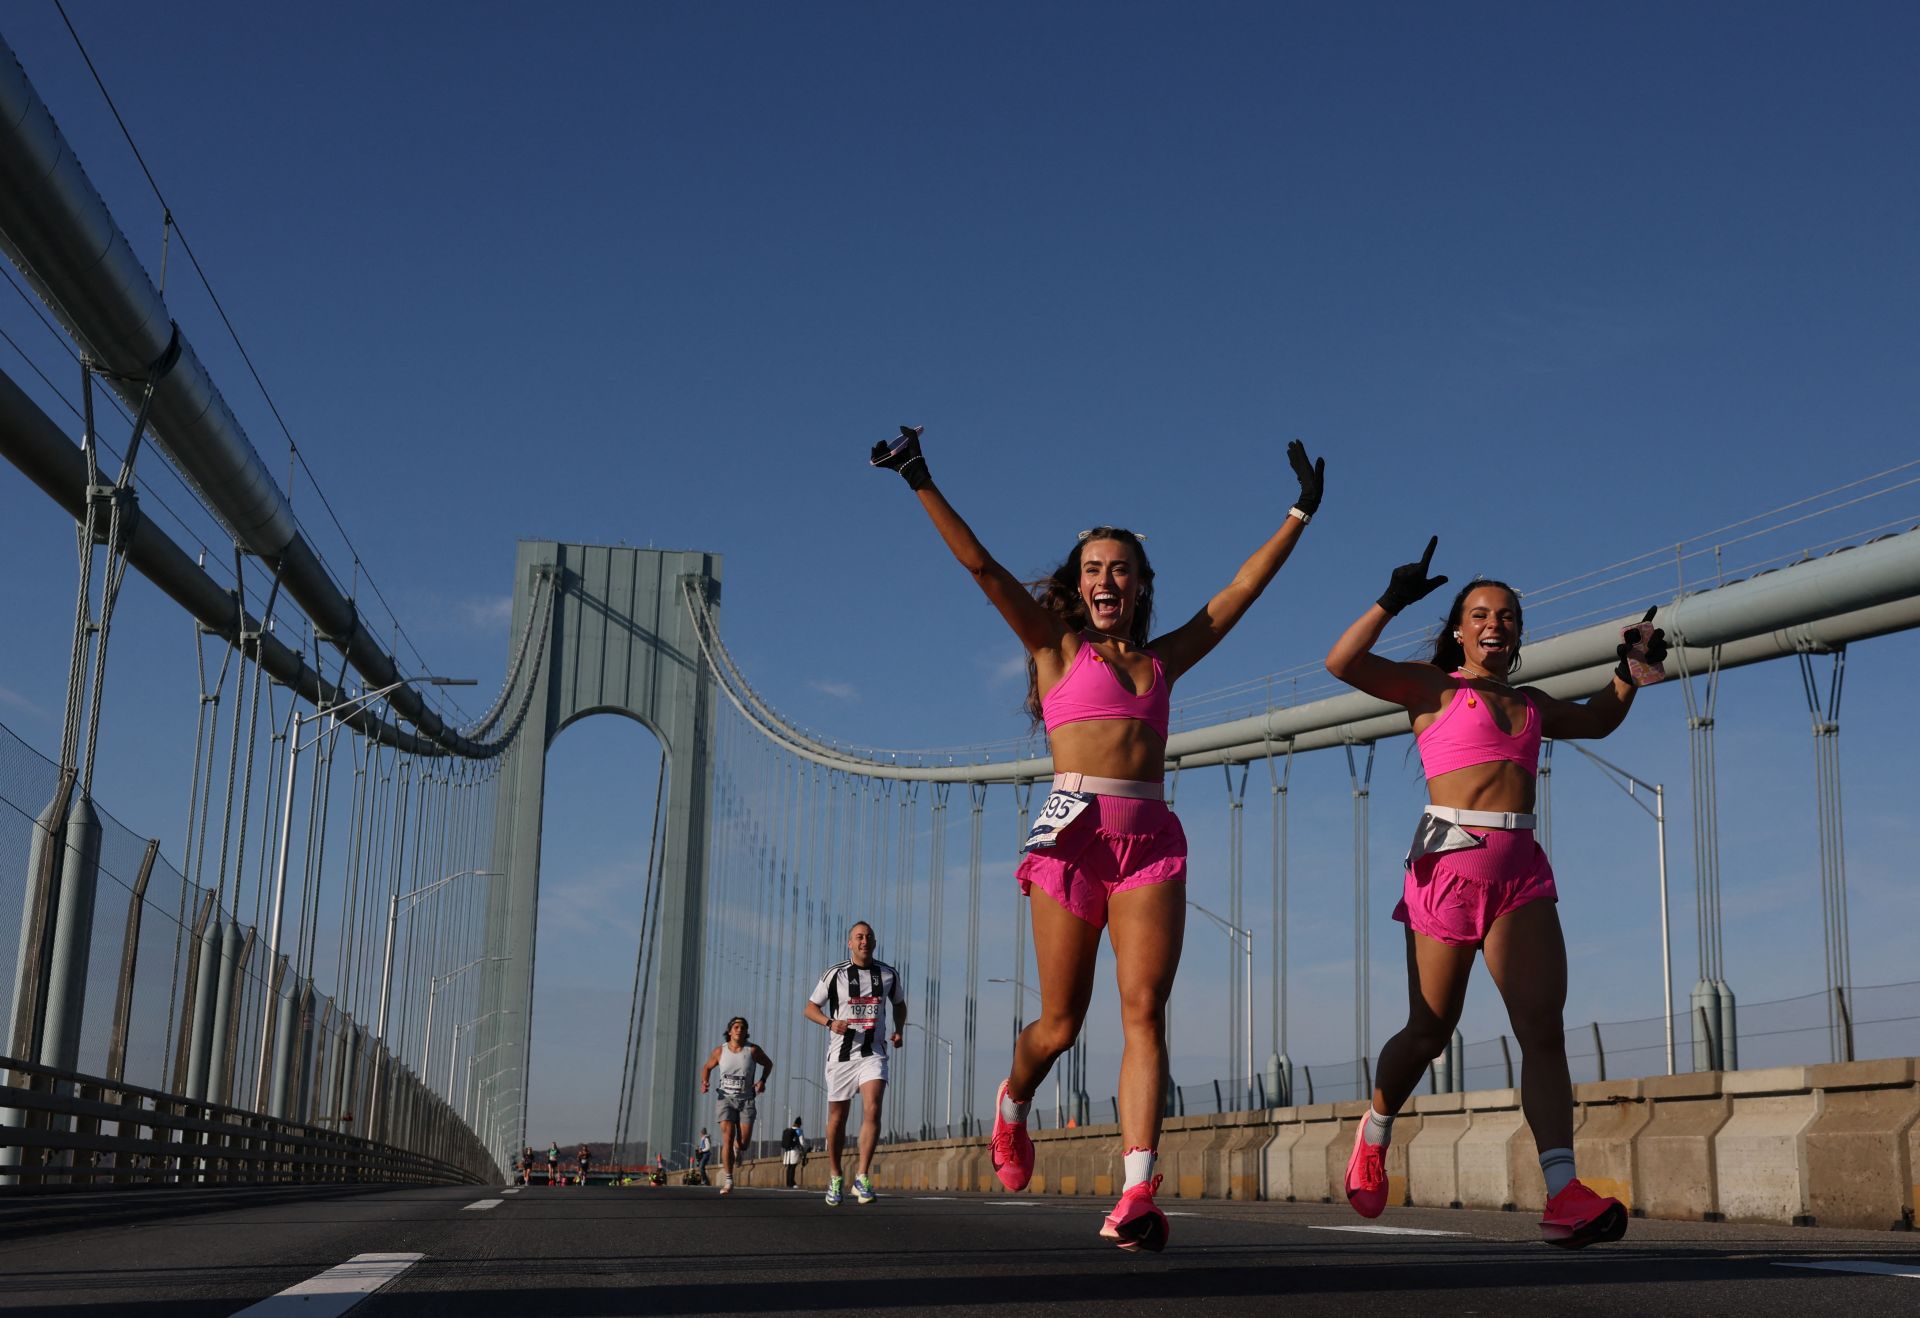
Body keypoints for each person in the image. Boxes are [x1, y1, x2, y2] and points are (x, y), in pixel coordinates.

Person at [871, 424, 1324, 1252]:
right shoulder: (1053, 647)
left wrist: (1298, 512)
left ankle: (1136, 1192)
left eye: (1120, 568)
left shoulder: (1164, 662)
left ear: (1141, 583)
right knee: (1061, 1025)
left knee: (1144, 1011)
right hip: (1071, 838)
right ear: (1077, 588)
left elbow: (1237, 594)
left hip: (1149, 836)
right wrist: (919, 476)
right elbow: (981, 568)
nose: (1105, 579)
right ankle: (1012, 1104)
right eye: (1092, 570)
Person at [1323, 538, 1667, 1249]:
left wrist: (1635, 667)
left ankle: (1563, 1192)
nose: (1496, 624)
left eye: (1508, 615)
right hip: (1447, 871)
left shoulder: (1533, 705)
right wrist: (1392, 598)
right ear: (1459, 629)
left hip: (1520, 873)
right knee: (1430, 1030)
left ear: (1518, 632)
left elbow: (1601, 716)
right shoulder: (1432, 689)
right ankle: (1377, 1127)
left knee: (1542, 1028)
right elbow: (1343, 663)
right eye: (1480, 613)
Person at [803, 920, 906, 1206]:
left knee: (873, 1107)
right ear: (850, 943)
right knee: (838, 1119)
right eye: (859, 937)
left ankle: (861, 1176)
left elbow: (899, 1003)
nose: (864, 941)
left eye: (869, 936)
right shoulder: (835, 974)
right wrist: (829, 1023)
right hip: (841, 1056)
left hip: (873, 1052)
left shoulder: (888, 974)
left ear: (874, 942)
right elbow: (810, 1008)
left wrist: (899, 1029)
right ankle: (836, 1175)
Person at [701, 1018, 773, 1195]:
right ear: (730, 1031)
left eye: (743, 1027)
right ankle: (729, 1180)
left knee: (743, 1144)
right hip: (725, 1098)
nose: (739, 1029)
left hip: (746, 1100)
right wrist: (705, 1082)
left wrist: (762, 1081)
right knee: (727, 1137)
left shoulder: (753, 1050)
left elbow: (768, 1064)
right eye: (736, 1027)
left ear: (746, 1031)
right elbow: (707, 1066)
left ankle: (737, 1148)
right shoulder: (720, 1051)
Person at [781, 1116, 808, 1187]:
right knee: (793, 1167)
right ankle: (792, 1183)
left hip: (787, 1151)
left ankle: (788, 1183)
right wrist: (806, 1148)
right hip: (794, 1151)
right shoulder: (798, 1130)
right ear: (800, 1124)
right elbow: (802, 1142)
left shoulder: (789, 1130)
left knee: (789, 1167)